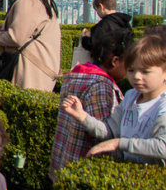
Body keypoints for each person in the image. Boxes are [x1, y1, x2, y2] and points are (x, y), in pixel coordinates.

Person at [62, 35, 166, 164]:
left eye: (145, 71)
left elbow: (163, 147)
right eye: (131, 70)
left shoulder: (163, 105)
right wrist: (83, 117)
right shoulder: (131, 97)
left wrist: (118, 143)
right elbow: (109, 130)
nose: (137, 77)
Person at [50, 29, 132, 182]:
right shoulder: (101, 86)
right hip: (83, 170)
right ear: (115, 61)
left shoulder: (77, 75)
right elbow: (99, 134)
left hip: (64, 161)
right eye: (129, 66)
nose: (130, 73)